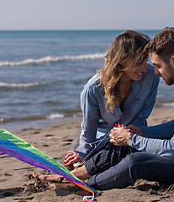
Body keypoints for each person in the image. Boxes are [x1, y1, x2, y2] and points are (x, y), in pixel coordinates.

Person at [35, 27, 174, 191]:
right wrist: (140, 132)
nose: (155, 73)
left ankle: (80, 182)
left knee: (135, 161)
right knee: (129, 140)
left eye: (158, 65)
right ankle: (72, 175)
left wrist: (133, 139)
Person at [62, 30, 160, 169]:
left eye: (145, 61)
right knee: (69, 165)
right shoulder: (94, 88)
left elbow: (142, 115)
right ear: (121, 59)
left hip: (131, 133)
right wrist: (83, 151)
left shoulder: (151, 77)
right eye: (139, 62)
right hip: (96, 133)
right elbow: (89, 126)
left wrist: (127, 135)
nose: (144, 68)